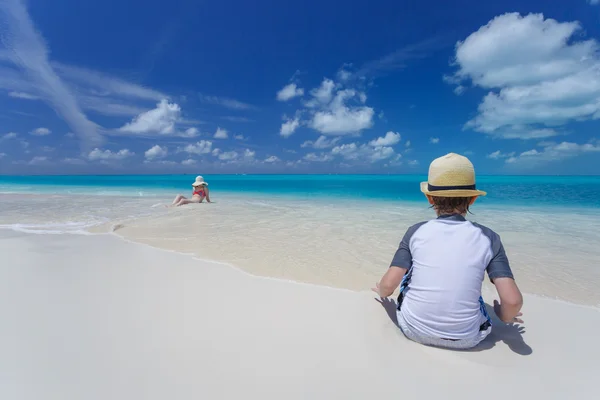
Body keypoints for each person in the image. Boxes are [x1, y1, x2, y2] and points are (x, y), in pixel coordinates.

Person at [372, 153, 523, 350]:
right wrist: (502, 314)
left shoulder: (416, 232)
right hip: (468, 339)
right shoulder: (489, 238)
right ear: (473, 199)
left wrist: (383, 294)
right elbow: (513, 302)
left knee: (412, 272)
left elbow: (389, 284)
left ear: (429, 197)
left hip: (413, 330)